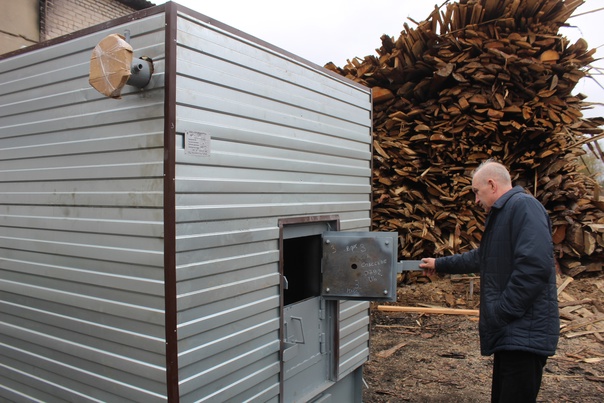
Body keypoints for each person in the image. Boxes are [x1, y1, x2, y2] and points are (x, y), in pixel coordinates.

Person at [419, 159, 559, 403]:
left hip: (523, 332)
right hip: (512, 332)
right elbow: (483, 257)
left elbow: (535, 267)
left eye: (476, 191)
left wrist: (502, 311)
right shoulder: (506, 212)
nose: (475, 199)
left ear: (492, 184)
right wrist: (439, 264)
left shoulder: (524, 207)